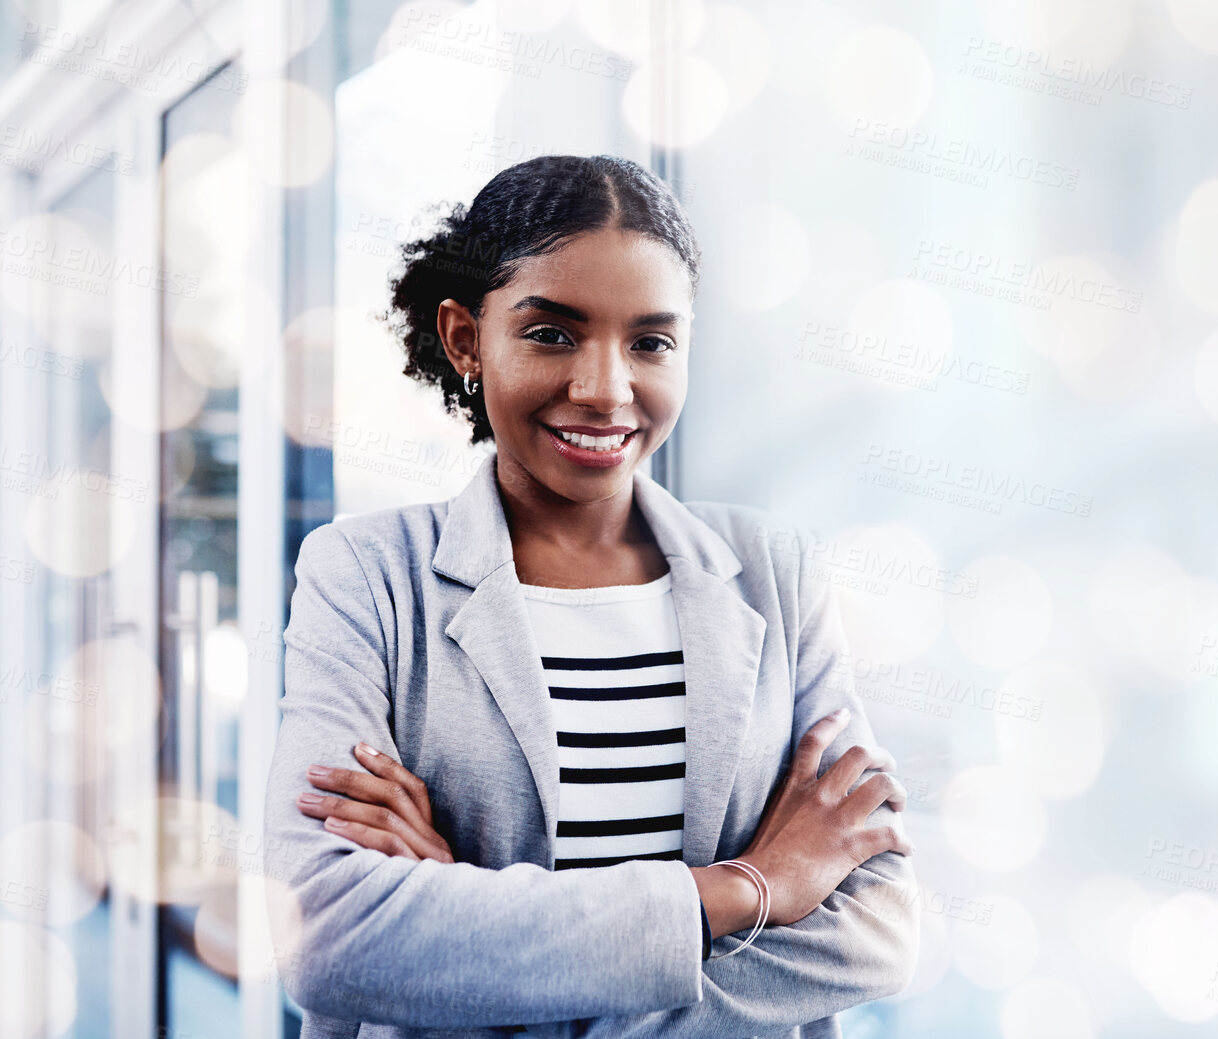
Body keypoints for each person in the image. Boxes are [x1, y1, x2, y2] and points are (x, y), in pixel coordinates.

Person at [263, 154, 918, 1039]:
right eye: (553, 334)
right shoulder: (366, 575)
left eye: (650, 342)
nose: (606, 388)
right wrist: (752, 886)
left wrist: (467, 943)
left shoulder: (772, 568)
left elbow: (874, 927)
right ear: (466, 338)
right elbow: (329, 934)